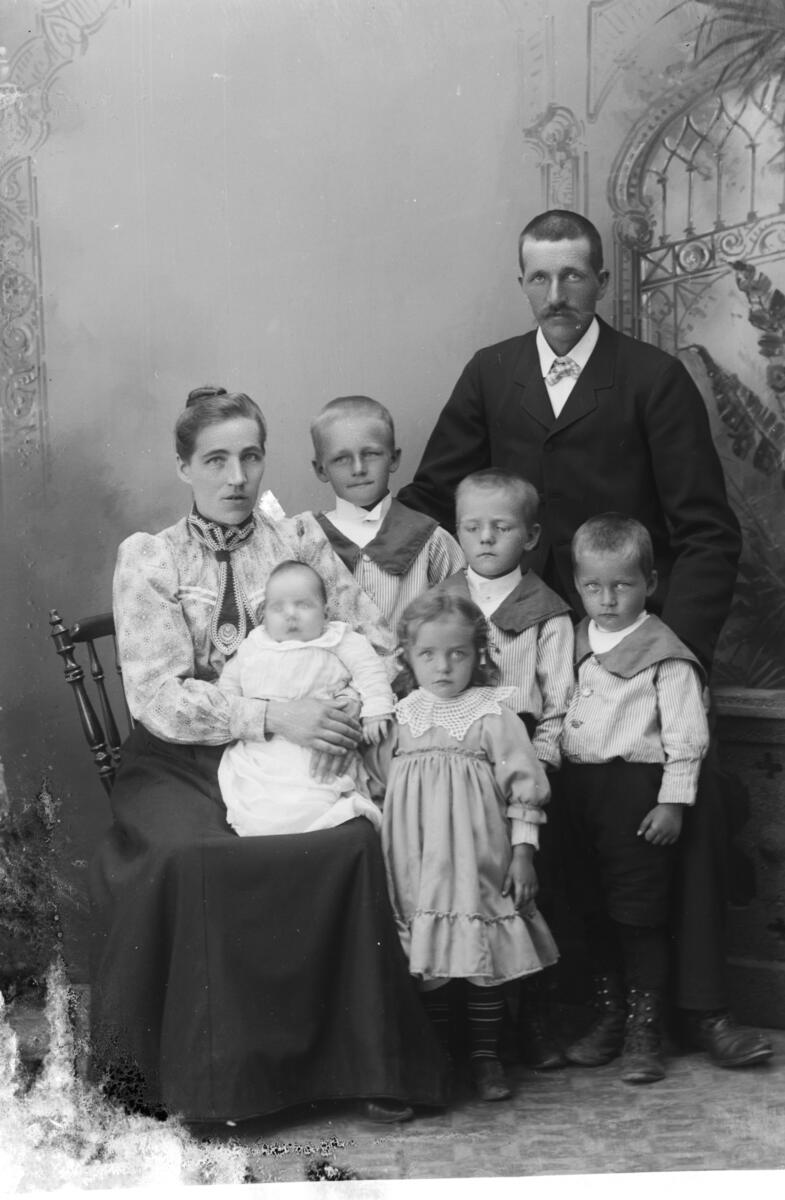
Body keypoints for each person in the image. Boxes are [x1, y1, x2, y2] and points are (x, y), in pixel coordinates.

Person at [398, 208, 773, 1068]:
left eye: (573, 275)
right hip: (525, 649)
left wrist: (666, 655)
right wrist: (340, 547)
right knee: (539, 816)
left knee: (681, 801)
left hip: (629, 641)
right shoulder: (491, 373)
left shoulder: (649, 378)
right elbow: (429, 498)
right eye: (539, 276)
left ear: (600, 280)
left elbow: (706, 533)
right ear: (521, 283)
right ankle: (565, 1010)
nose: (557, 293)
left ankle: (699, 1010)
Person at [89, 385, 447, 1125]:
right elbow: (157, 697)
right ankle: (221, 1084)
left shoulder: (298, 543)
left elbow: (374, 639)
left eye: (250, 457)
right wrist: (274, 714)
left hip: (296, 748)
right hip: (179, 760)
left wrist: (344, 703)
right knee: (192, 857)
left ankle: (363, 1065)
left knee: (352, 840)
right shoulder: (152, 558)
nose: (237, 477)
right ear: (183, 466)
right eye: (215, 460)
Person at [365, 591, 558, 1102]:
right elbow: (376, 786)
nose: (444, 666)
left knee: (480, 960)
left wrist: (523, 853)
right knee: (429, 960)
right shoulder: (396, 718)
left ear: (479, 655)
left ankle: (486, 1057)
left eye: (458, 653)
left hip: (479, 859)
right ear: (407, 657)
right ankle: (442, 1057)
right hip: (416, 862)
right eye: (428, 654)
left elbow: (523, 790)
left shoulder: (494, 716)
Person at [560, 514, 709, 1084]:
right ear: (578, 584)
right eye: (593, 586)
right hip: (578, 792)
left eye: (622, 585)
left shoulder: (663, 653)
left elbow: (686, 735)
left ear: (650, 581)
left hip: (636, 795)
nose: (607, 599)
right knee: (592, 907)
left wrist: (673, 802)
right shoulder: (570, 640)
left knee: (638, 913)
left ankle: (646, 1029)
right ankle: (609, 1016)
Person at [435, 468, 574, 1070]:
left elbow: (560, 707)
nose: (486, 538)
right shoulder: (440, 605)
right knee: (462, 891)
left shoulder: (548, 614)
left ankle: (532, 1019)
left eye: (502, 527)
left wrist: (533, 771)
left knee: (526, 894)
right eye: (472, 527)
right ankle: (464, 1035)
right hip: (452, 775)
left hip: (523, 777)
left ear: (531, 535)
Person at [217, 559, 393, 836]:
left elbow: (370, 670)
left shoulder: (338, 640)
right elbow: (227, 690)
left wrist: (375, 710)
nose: (290, 615)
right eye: (278, 608)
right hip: (264, 746)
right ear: (264, 615)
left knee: (315, 797)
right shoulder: (254, 646)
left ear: (325, 612)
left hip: (320, 745)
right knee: (258, 802)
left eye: (303, 605)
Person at [309, 395, 465, 633]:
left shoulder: (432, 541)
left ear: (394, 458)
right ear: (321, 469)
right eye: (341, 459)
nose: (358, 469)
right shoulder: (309, 541)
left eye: (371, 454)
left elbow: (463, 620)